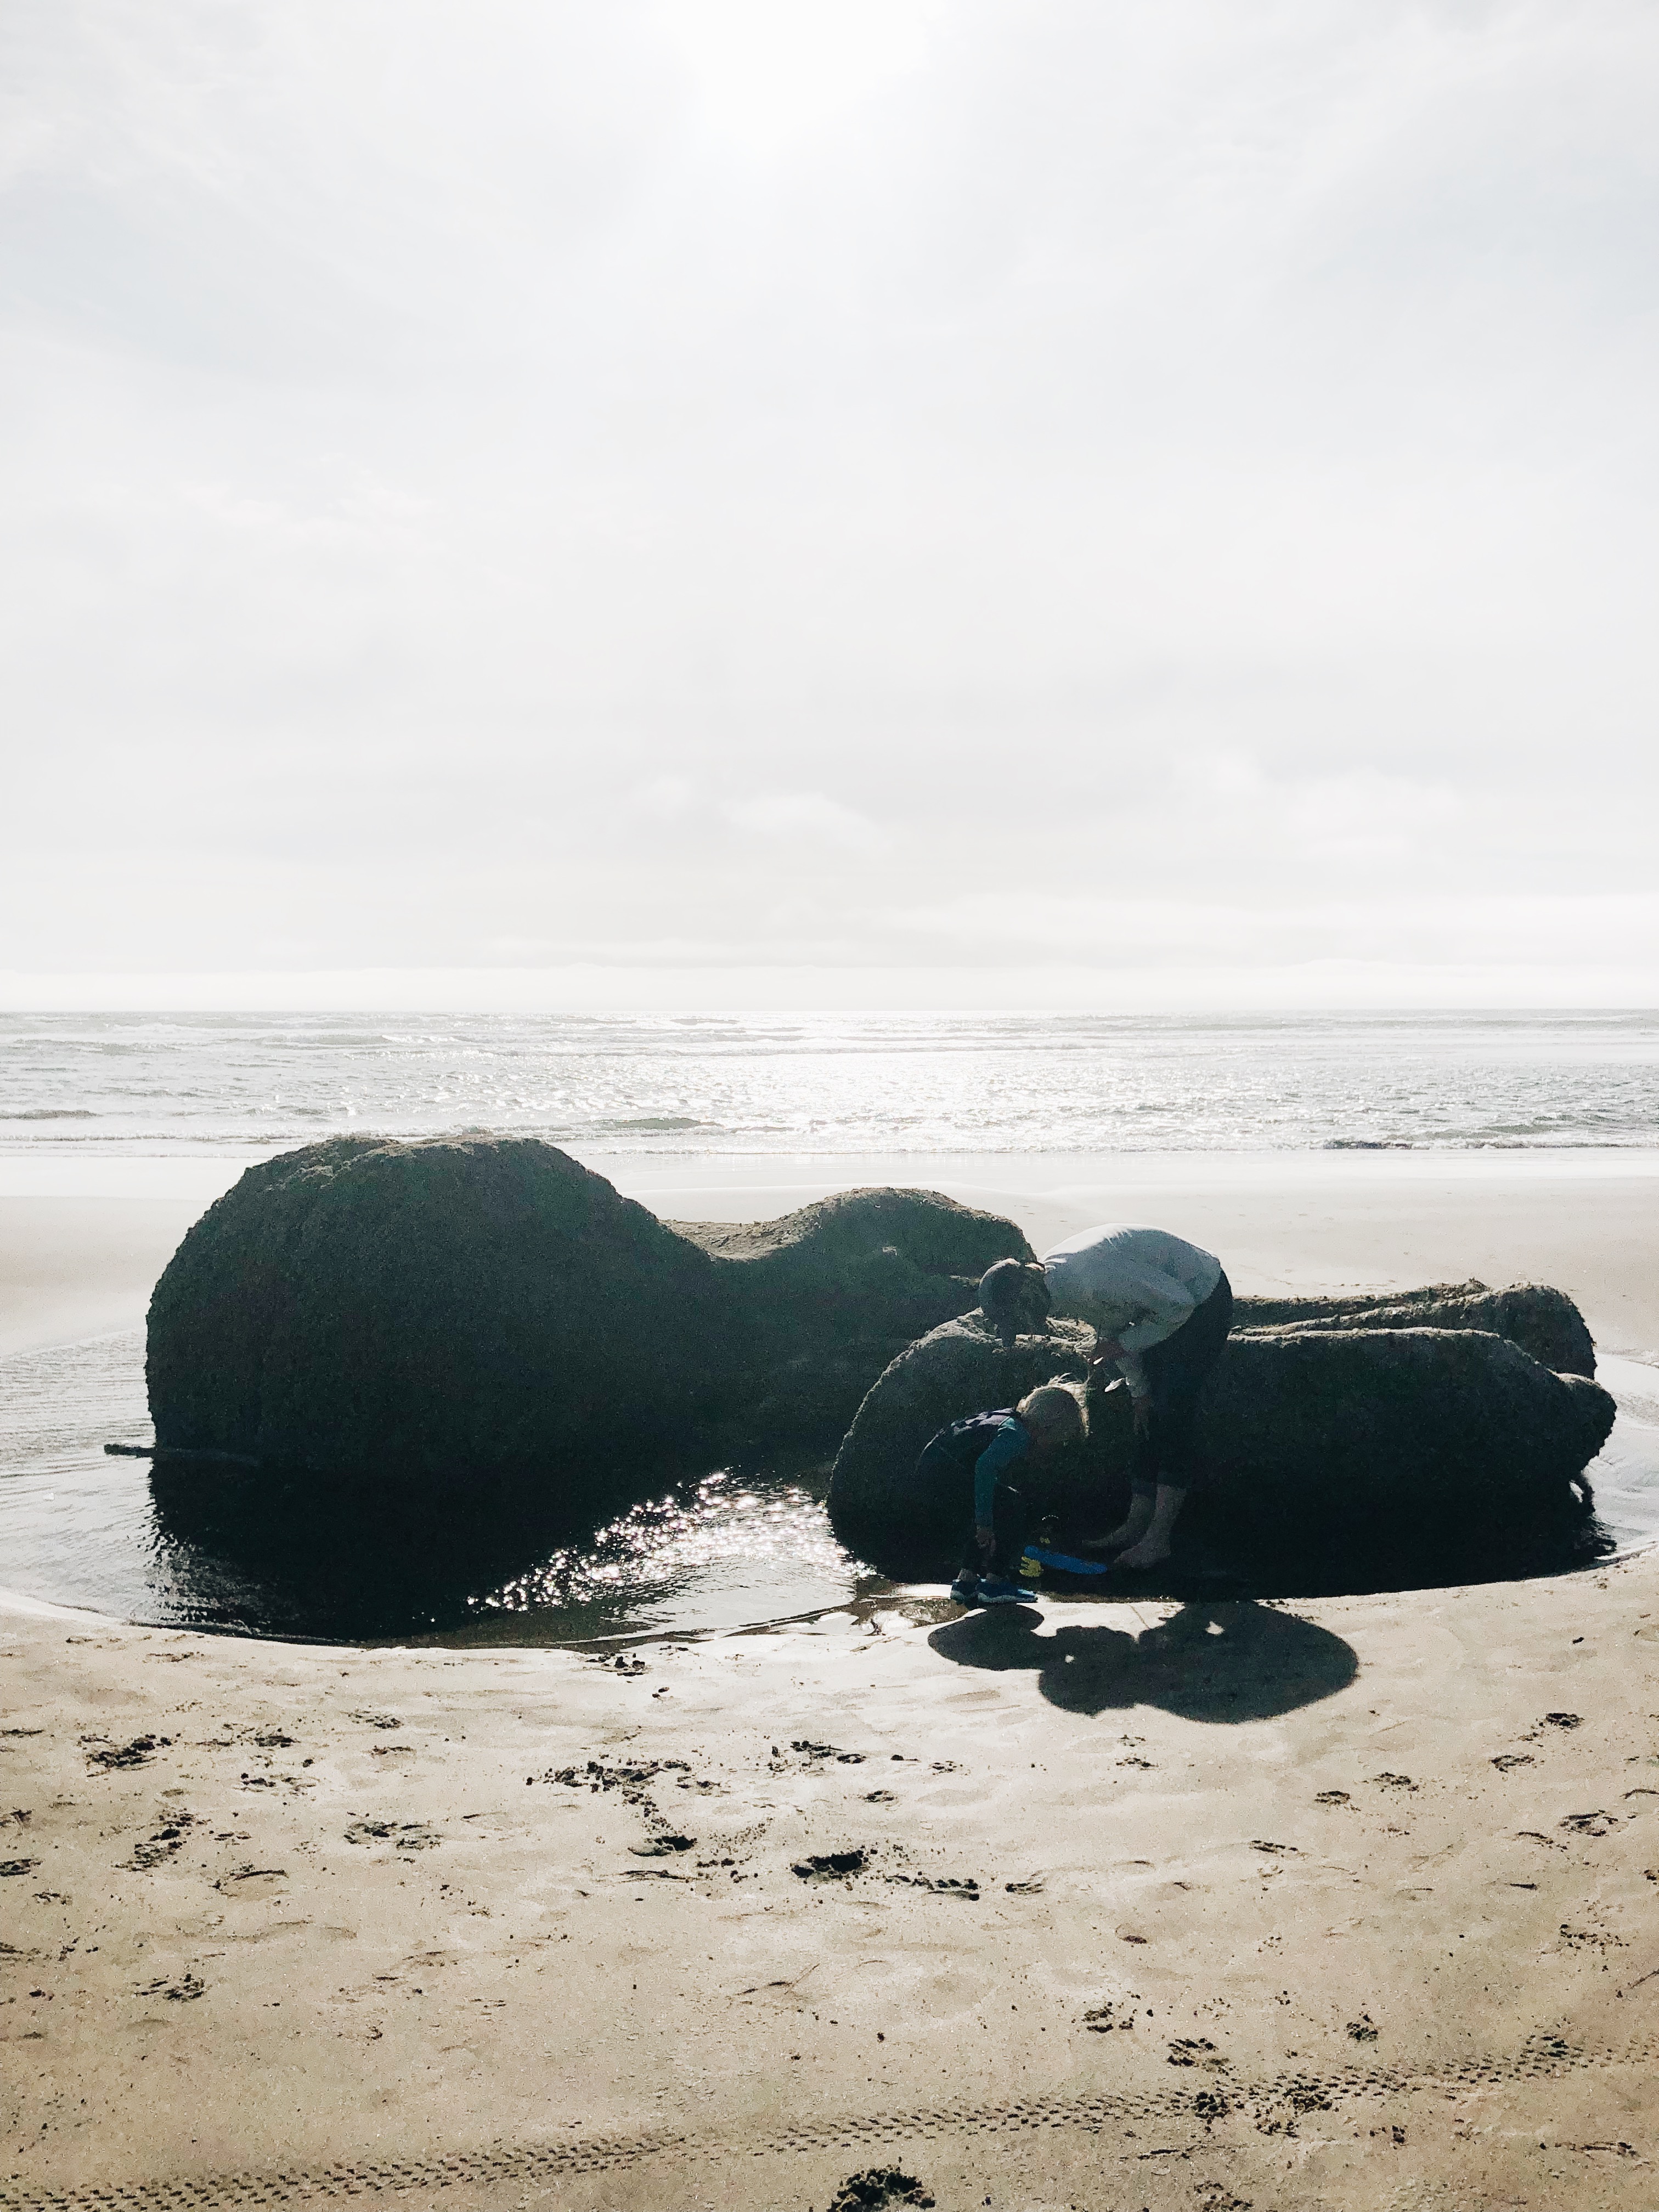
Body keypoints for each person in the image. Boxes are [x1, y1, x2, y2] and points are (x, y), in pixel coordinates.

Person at [978, 1225, 1232, 1571]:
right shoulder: (1058, 1283)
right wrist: (1138, 1391)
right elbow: (1113, 1324)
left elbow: (1177, 1305)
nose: (1026, 1328)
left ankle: (1158, 1541)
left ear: (1026, 1296)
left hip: (1201, 1295)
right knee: (1147, 1412)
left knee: (1173, 1410)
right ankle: (1134, 1526)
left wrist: (1124, 1347)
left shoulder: (1088, 1280)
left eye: (1018, 1320)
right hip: (1158, 1308)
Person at [915, 1383, 1085, 1608]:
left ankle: (967, 1582)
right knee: (1013, 1507)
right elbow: (985, 1469)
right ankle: (995, 1583)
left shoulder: (1006, 1418)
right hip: (946, 1478)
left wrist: (984, 1518)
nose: (1055, 1445)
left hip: (931, 1472)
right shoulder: (1017, 1435)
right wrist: (984, 1522)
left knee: (996, 1504)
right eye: (1060, 1438)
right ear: (1048, 1426)